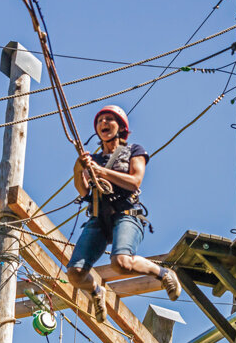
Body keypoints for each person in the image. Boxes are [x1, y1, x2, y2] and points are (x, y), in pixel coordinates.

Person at [66, 105, 181, 323]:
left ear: (121, 128)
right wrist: (79, 169)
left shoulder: (134, 151)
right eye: (100, 121)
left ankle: (163, 274)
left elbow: (135, 181)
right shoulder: (95, 160)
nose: (103, 124)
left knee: (121, 263)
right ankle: (96, 292)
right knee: (75, 273)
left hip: (126, 213)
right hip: (99, 218)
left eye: (109, 120)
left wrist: (102, 172)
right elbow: (83, 191)